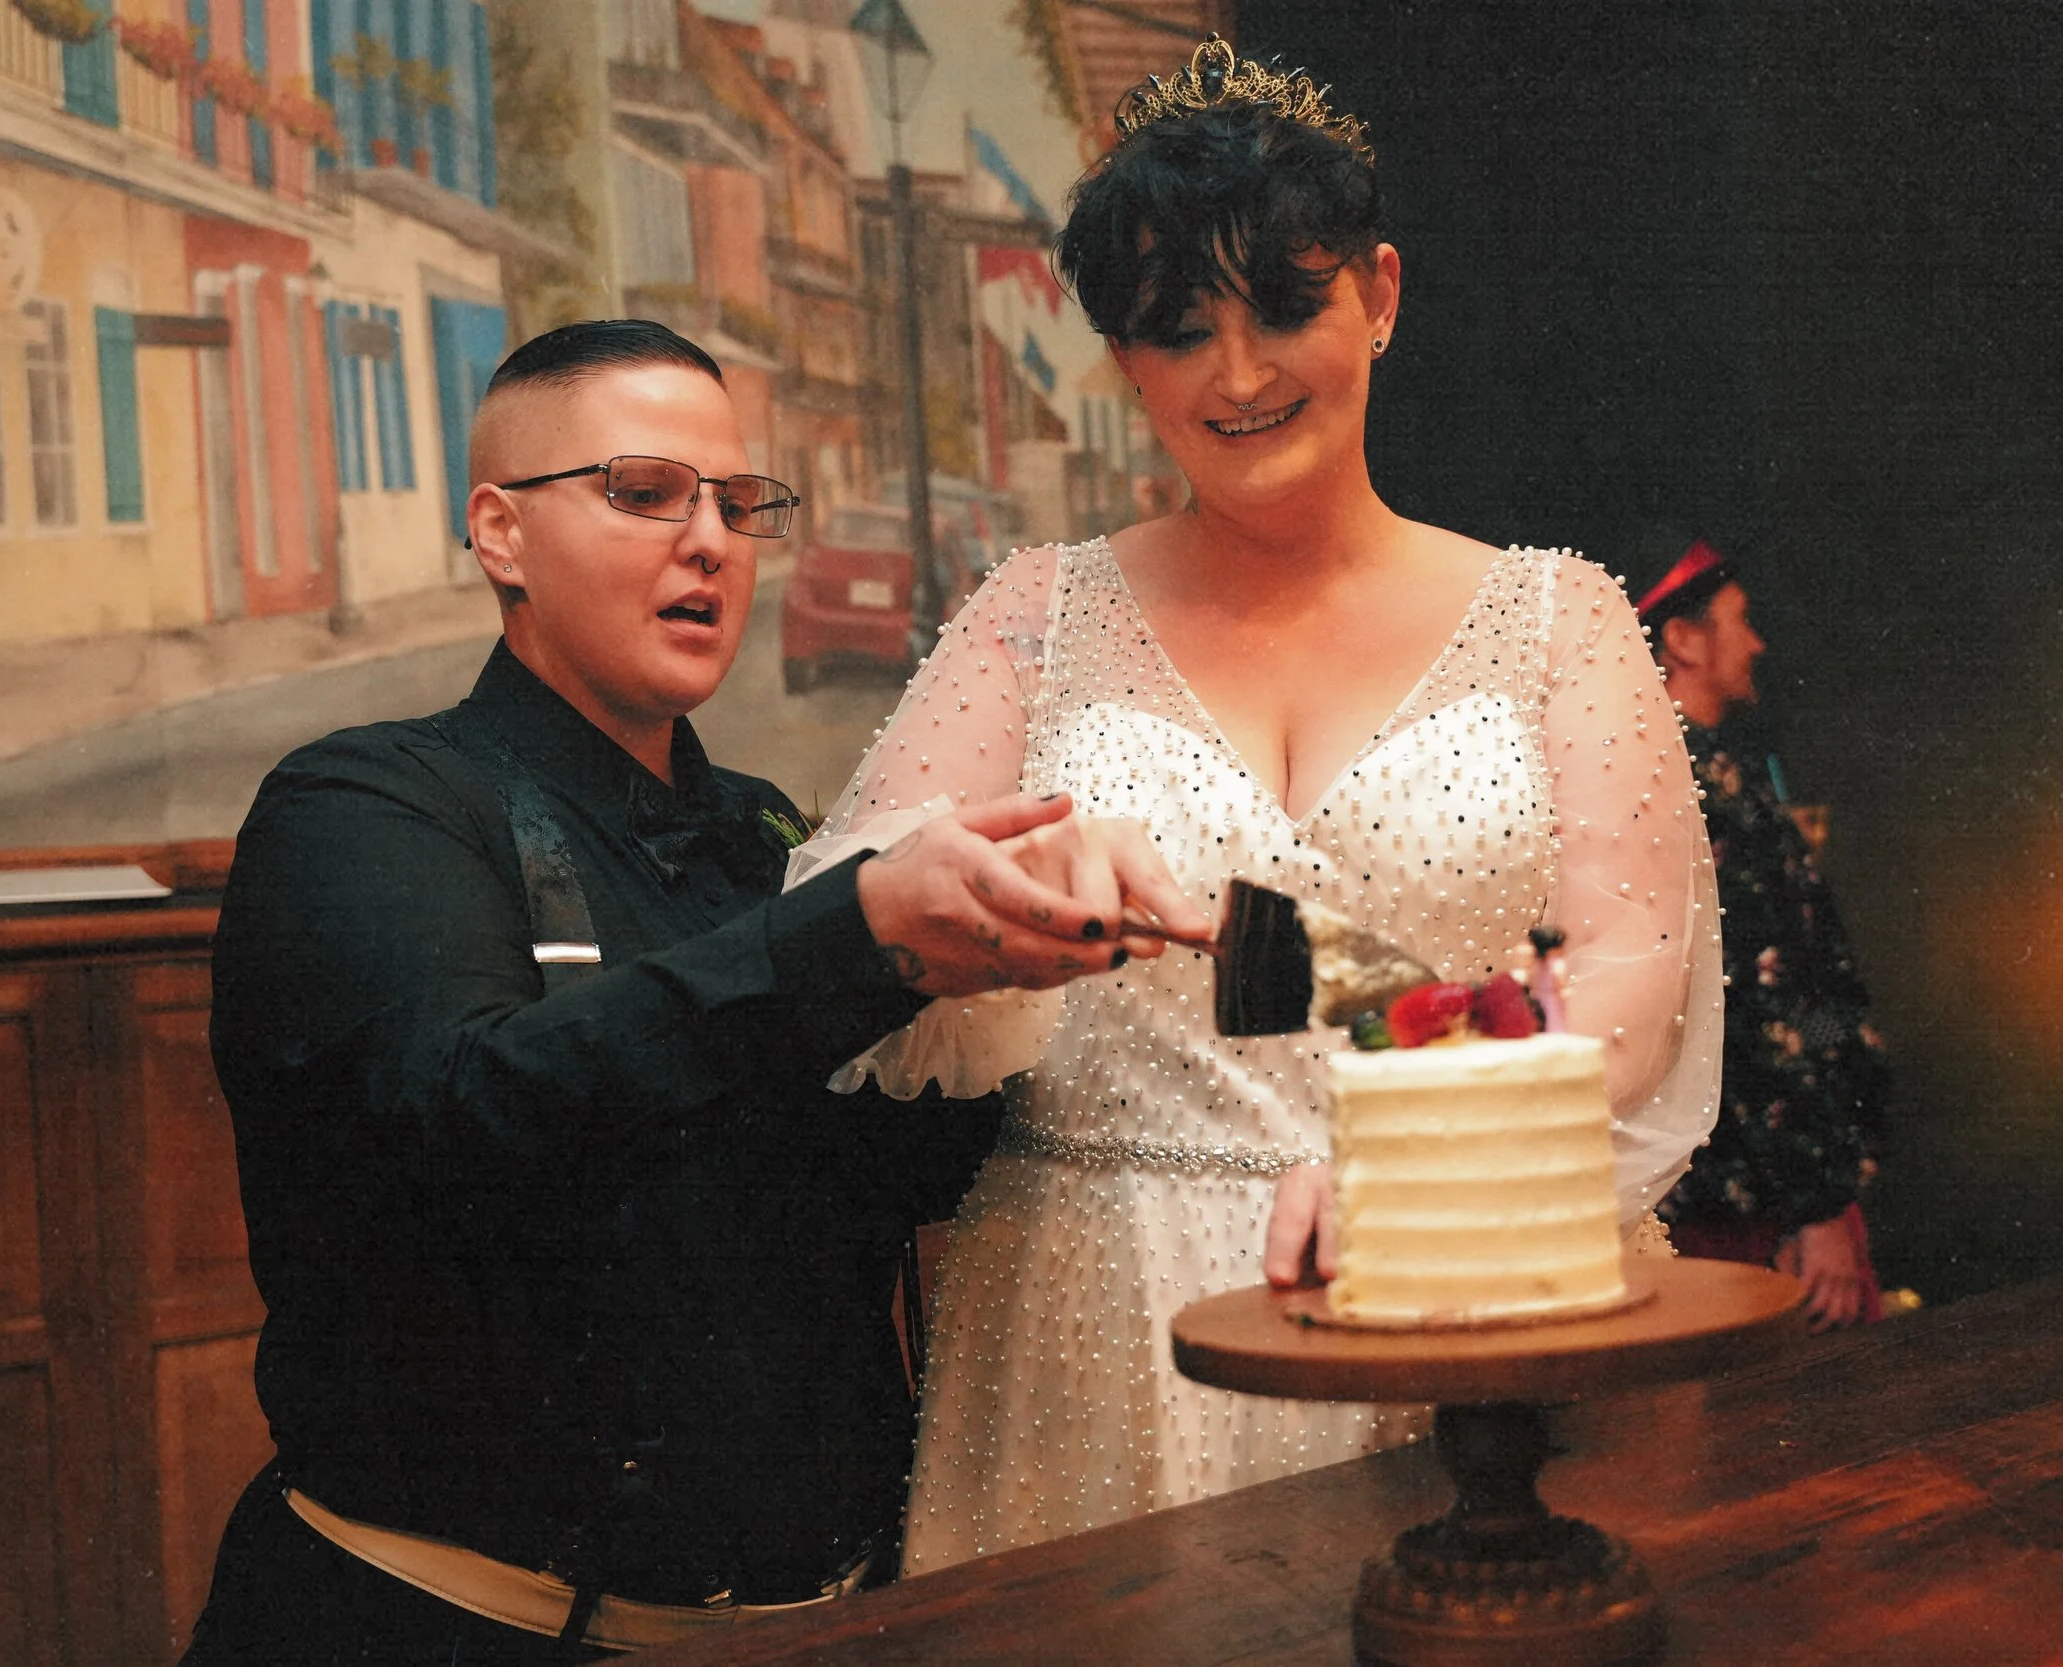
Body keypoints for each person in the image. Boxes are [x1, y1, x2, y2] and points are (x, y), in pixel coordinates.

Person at [788, 37, 1724, 1574]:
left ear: (1383, 295)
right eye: (1176, 329)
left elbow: (1632, 961)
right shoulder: (1036, 609)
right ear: (1125, 360)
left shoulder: (1560, 616)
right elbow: (856, 890)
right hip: (1104, 1306)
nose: (1238, 373)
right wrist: (997, 884)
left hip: (1474, 1284)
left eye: (1286, 304)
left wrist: (1416, 1173)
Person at [183, 319, 1205, 1663]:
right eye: (644, 493)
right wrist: (850, 943)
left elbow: (879, 1177)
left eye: (738, 502)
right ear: (501, 533)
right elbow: (457, 1115)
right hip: (453, 1621)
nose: (711, 539)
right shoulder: (365, 801)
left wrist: (1010, 963)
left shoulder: (763, 832)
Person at [1638, 537, 1889, 1330]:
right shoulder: (1696, 791)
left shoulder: (1691, 776)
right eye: (1739, 621)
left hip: (1760, 1187)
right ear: (1683, 639)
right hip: (1762, 1206)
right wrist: (1817, 1204)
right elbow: (1756, 1000)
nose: (1757, 643)